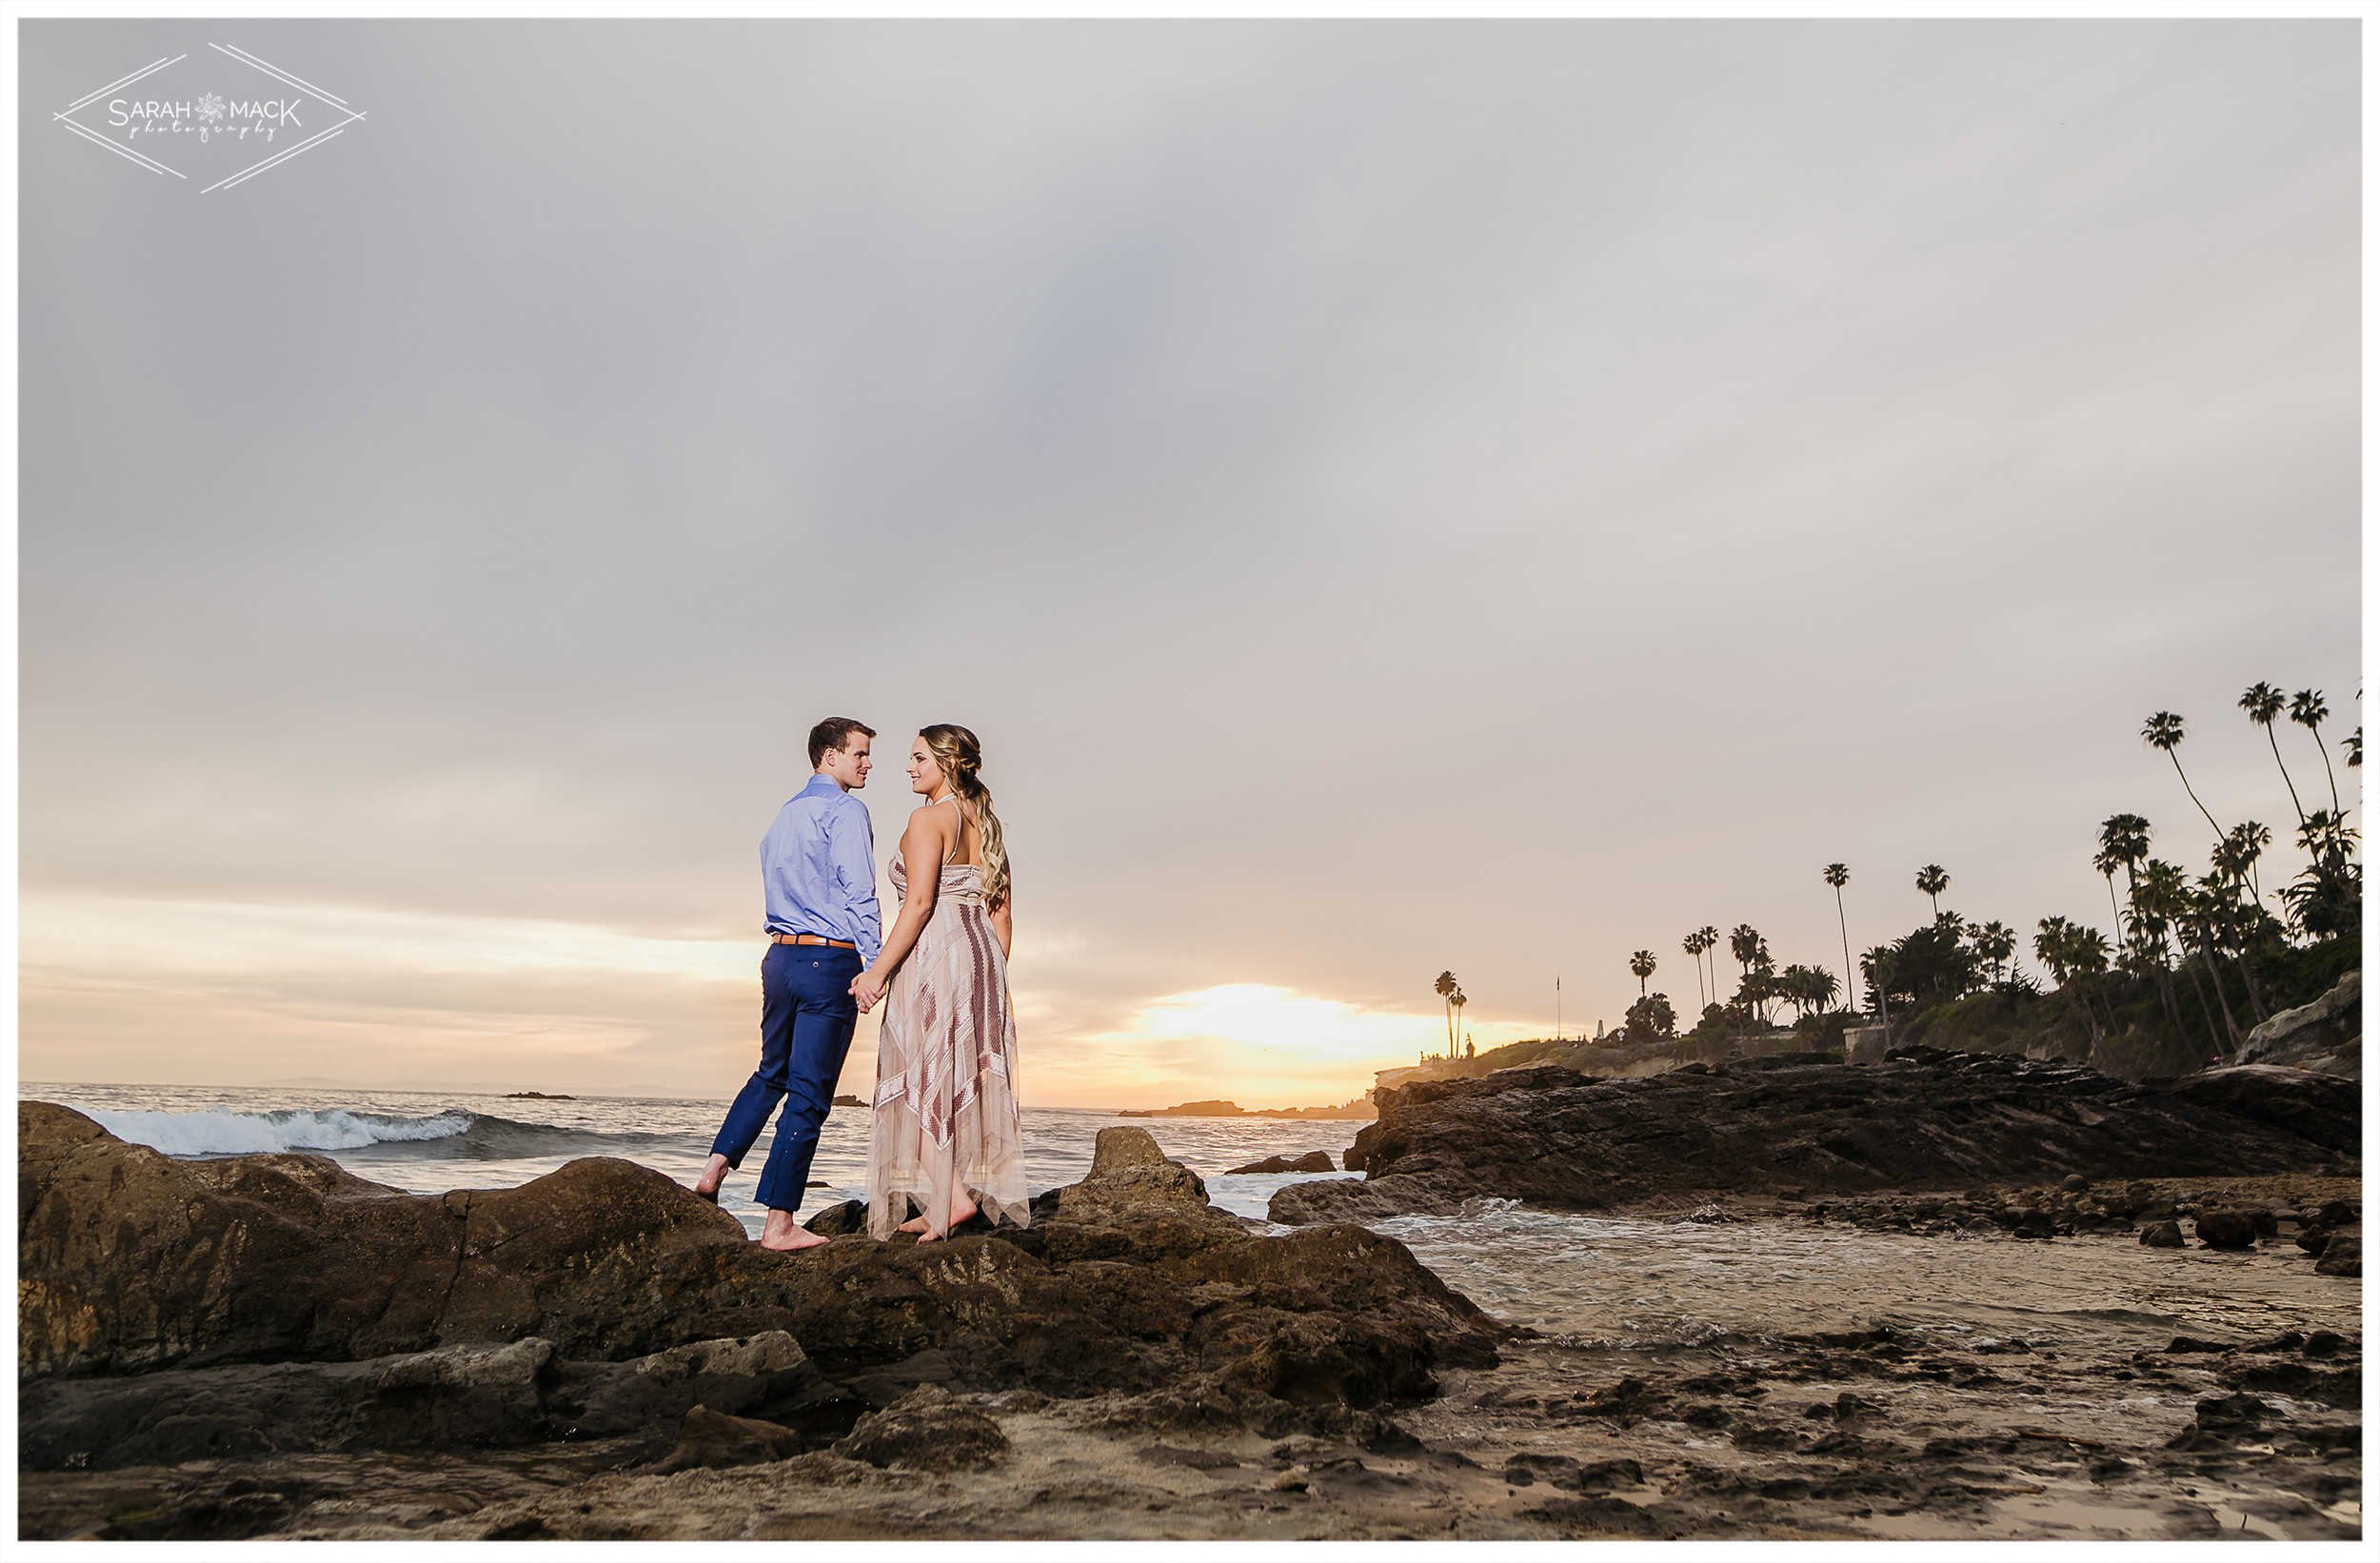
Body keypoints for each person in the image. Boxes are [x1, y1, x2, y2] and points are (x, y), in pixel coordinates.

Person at [691, 716, 881, 1252]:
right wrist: (875, 963)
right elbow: (858, 891)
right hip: (829, 959)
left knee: (770, 1073)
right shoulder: (845, 811)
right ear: (829, 756)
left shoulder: (784, 816)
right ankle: (778, 1226)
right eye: (859, 754)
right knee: (810, 1094)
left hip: (778, 960)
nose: (867, 765)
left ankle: (712, 1172)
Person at [850, 723, 1025, 1242]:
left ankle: (949, 1199)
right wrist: (990, 981)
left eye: (918, 757)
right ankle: (942, 1196)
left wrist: (876, 973)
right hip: (982, 959)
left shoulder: (927, 819)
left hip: (936, 954)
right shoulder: (986, 825)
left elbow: (920, 902)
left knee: (917, 1070)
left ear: (946, 764)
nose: (908, 766)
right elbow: (1003, 916)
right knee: (950, 1073)